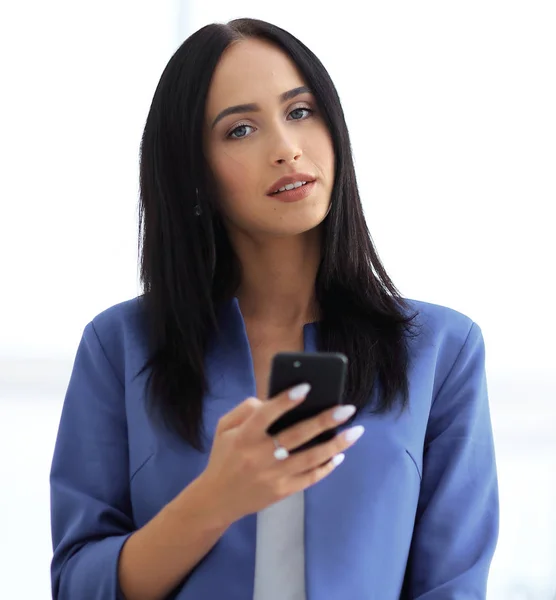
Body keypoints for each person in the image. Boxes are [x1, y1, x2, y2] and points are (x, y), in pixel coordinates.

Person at [49, 17, 499, 600]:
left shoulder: (442, 349)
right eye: (240, 130)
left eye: (300, 112)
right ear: (193, 171)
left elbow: (454, 586)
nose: (286, 149)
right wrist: (212, 502)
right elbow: (77, 584)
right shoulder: (120, 346)